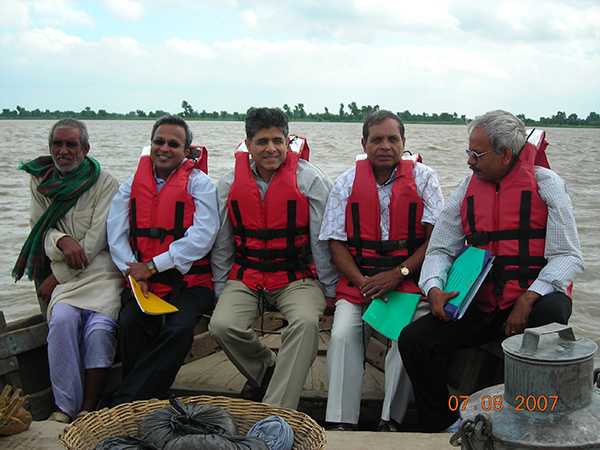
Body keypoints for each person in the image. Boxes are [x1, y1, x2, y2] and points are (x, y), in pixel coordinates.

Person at [398, 110, 584, 432]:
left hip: (531, 301)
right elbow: (440, 248)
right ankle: (440, 424)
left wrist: (529, 298)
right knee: (415, 339)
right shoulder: (466, 189)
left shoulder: (546, 185)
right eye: (468, 152)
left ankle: (540, 421)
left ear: (505, 154)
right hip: (482, 305)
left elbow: (568, 256)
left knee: (553, 310)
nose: (469, 161)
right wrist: (434, 287)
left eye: (477, 154)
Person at [319, 110, 444, 430]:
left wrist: (398, 274)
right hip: (360, 282)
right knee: (342, 335)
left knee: (406, 338)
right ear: (364, 143)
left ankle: (391, 419)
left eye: (393, 139)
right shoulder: (346, 182)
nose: (385, 145)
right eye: (377, 139)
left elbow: (435, 240)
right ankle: (340, 421)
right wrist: (362, 282)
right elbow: (335, 244)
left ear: (403, 144)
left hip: (406, 283)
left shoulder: (425, 178)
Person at [209, 107, 337, 409]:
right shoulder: (228, 184)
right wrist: (219, 287)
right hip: (247, 276)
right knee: (222, 325)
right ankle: (267, 366)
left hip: (297, 278)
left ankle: (276, 413)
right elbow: (222, 243)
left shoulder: (311, 180)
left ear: (287, 141)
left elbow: (324, 240)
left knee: (305, 324)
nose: (271, 149)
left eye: (277, 141)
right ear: (248, 144)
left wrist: (330, 288)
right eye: (262, 142)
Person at [12, 119, 122, 423]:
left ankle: (88, 407)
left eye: (71, 145)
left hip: (102, 273)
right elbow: (40, 228)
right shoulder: (40, 181)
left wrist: (56, 276)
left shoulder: (105, 183)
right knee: (60, 321)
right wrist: (61, 239)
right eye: (57, 145)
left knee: (99, 331)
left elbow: (94, 242)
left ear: (85, 149)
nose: (63, 151)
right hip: (66, 272)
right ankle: (65, 408)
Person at [106, 115, 219, 405]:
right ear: (151, 144)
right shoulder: (131, 185)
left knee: (178, 329)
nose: (165, 148)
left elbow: (203, 235)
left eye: (174, 144)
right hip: (144, 280)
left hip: (190, 280)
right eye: (159, 141)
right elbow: (115, 233)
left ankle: (125, 401)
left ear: (186, 151)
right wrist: (133, 271)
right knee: (129, 323)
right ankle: (148, 399)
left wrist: (154, 265)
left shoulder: (201, 184)